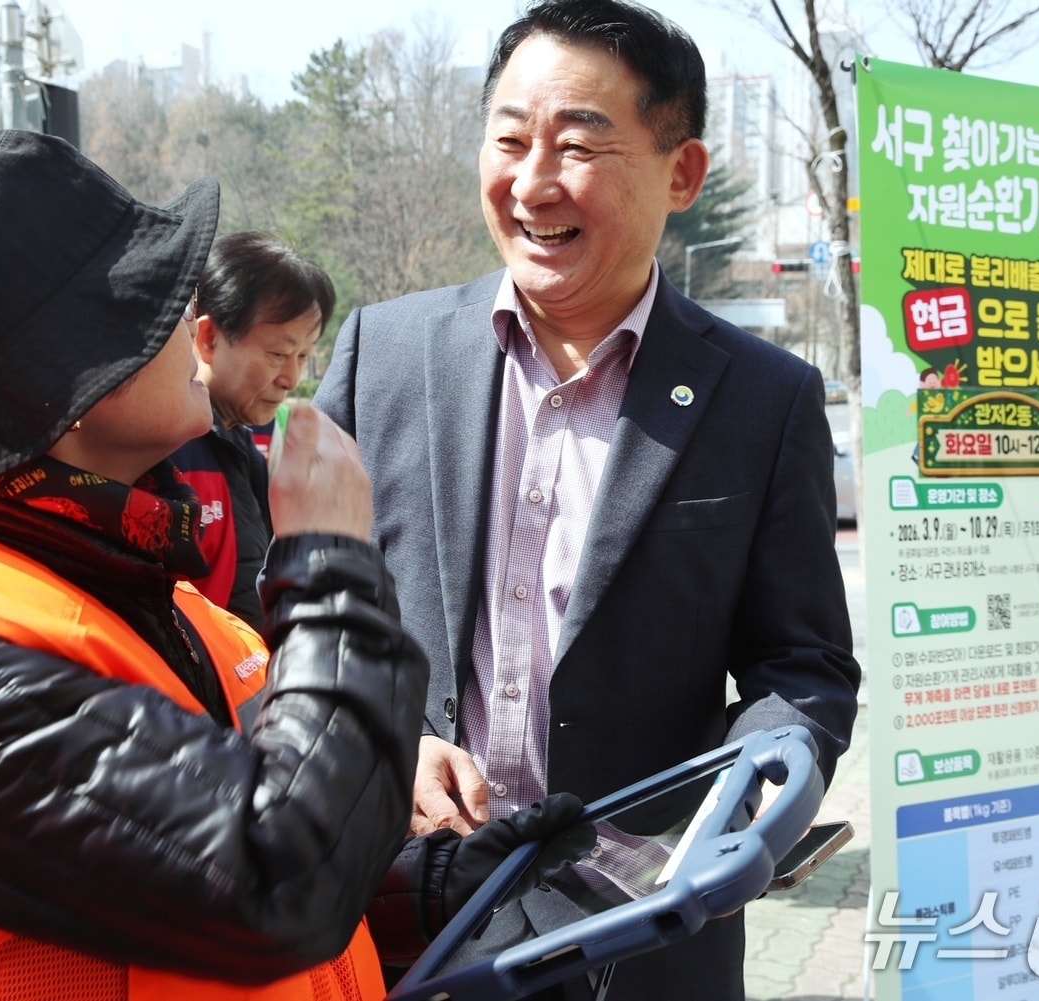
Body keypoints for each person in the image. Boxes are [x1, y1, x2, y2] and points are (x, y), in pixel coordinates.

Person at [0, 129, 580, 1001]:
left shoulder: (121, 585)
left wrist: (426, 887)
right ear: (73, 376)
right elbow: (274, 883)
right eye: (162, 301)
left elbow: (171, 888)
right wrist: (333, 565)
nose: (196, 330)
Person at [314, 2, 861, 998]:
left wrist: (741, 807)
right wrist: (385, 738)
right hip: (398, 920)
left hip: (640, 931)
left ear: (680, 173)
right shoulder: (381, 354)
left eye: (575, 145)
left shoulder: (763, 397)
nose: (530, 183)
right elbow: (294, 613)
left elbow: (802, 662)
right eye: (509, 139)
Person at [171, 232, 331, 629]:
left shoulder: (237, 442)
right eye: (278, 354)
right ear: (208, 338)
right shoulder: (166, 452)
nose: (291, 378)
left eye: (303, 357)